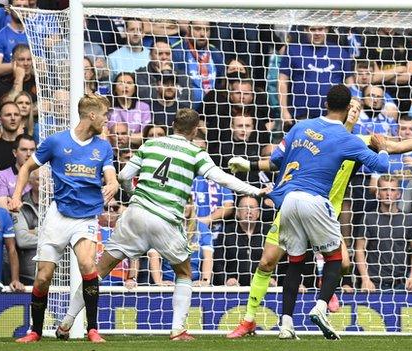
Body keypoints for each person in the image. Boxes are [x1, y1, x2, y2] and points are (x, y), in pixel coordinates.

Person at [226, 85, 412, 339]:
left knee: (342, 263)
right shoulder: (313, 130)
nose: (354, 113)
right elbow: (276, 161)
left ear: (355, 115)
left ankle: (324, 291)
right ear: (346, 109)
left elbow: (394, 147)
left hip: (323, 211)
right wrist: (249, 164)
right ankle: (256, 318)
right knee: (268, 261)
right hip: (302, 205)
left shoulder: (357, 141)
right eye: (353, 107)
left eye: (359, 110)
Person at [53, 108, 267, 342]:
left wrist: (133, 194)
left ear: (173, 125)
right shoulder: (196, 152)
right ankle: (177, 330)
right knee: (184, 272)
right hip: (165, 219)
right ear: (195, 130)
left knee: (98, 271)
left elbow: (123, 177)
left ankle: (66, 322)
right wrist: (256, 190)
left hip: (135, 215)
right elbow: (222, 178)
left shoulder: (149, 145)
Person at [11, 94, 120, 343]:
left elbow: (110, 174)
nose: (106, 121)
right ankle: (36, 332)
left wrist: (112, 183)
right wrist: (17, 195)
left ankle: (92, 329)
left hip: (86, 217)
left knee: (88, 265)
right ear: (92, 115)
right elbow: (27, 167)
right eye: (104, 115)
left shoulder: (103, 146)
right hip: (58, 215)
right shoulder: (56, 142)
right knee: (43, 276)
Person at [354, 176, 412, 291]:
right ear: (378, 194)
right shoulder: (368, 218)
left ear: (398, 194)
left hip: (401, 284)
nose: (388, 193)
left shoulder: (408, 219)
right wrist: (365, 279)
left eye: (392, 190)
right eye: (384, 190)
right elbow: (359, 249)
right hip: (374, 284)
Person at [0, 134, 35, 208]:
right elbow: (3, 210)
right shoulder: (2, 176)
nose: (29, 154)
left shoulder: (43, 175)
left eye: (32, 150)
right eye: (24, 150)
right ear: (15, 153)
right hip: (14, 219)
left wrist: (13, 205)